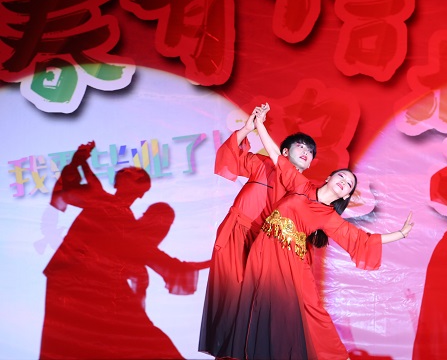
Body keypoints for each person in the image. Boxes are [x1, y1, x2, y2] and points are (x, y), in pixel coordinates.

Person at [230, 104, 414, 360]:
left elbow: (362, 240)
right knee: (257, 306)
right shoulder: (301, 186)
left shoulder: (329, 218)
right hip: (264, 251)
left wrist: (401, 234)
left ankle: (335, 357)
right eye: (342, 177)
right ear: (329, 178)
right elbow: (276, 155)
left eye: (349, 185)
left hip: (293, 264)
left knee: (311, 309)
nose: (344, 182)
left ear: (346, 195)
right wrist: (259, 124)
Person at [41, 142, 184, 359]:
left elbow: (145, 256)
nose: (124, 175)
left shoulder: (120, 216)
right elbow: (77, 187)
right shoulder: (103, 201)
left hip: (92, 284)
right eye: (124, 173)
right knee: (68, 342)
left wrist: (82, 161)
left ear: (141, 190)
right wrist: (80, 161)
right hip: (69, 279)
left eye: (131, 175)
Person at [199, 106, 319, 358]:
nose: (306, 152)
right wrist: (247, 128)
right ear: (283, 152)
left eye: (310, 152)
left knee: (258, 310)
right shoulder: (262, 163)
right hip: (239, 235)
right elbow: (230, 157)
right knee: (231, 302)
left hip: (269, 251)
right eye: (301, 146)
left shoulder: (305, 190)